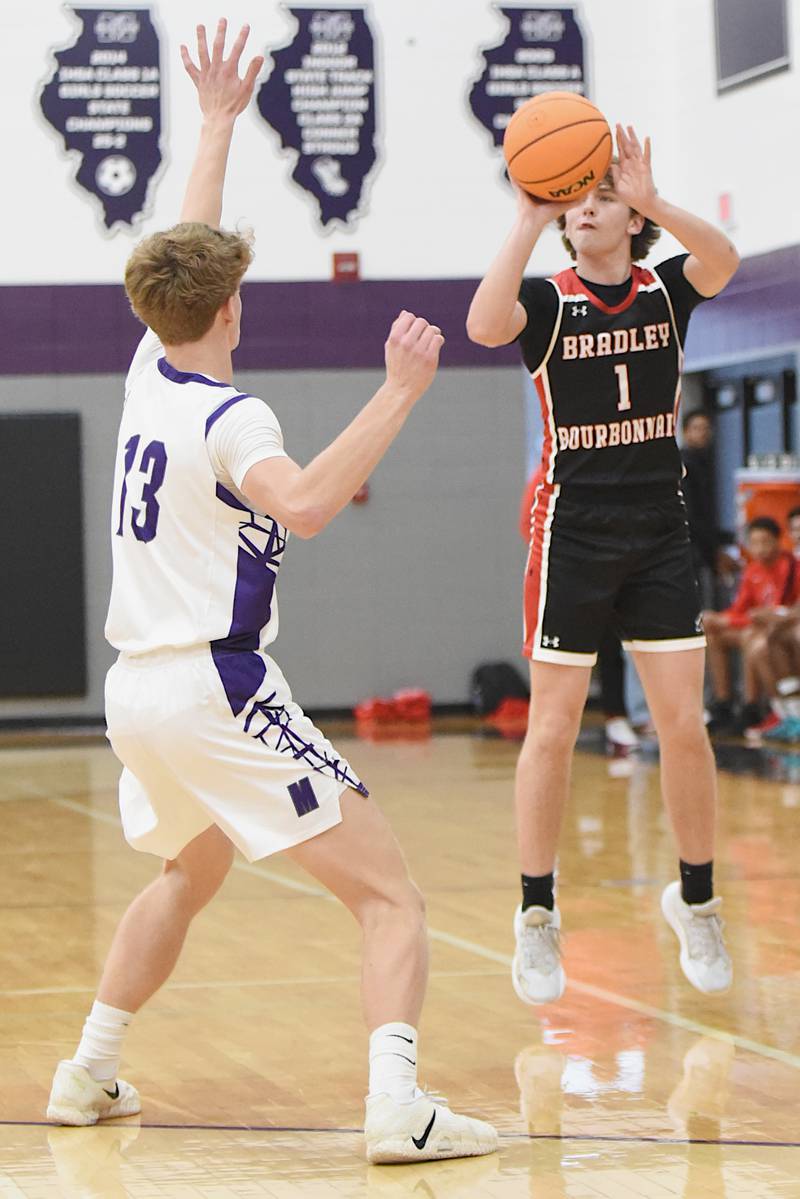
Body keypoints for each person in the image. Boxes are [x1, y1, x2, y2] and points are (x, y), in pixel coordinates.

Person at [45, 21, 497, 1165]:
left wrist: (212, 123)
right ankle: (398, 1104)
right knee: (390, 894)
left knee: (188, 867)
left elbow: (188, 250)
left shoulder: (148, 366)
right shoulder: (229, 414)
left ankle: (89, 1067)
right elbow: (299, 505)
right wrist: (398, 392)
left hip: (134, 690)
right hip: (213, 682)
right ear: (232, 309)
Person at [467, 125, 739, 1003]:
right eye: (574, 200)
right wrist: (523, 216)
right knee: (552, 728)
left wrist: (656, 196)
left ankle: (696, 899)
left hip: (659, 526)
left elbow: (726, 257)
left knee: (684, 726)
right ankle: (536, 915)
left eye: (603, 195)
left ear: (630, 217)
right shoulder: (546, 302)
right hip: (573, 530)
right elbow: (481, 323)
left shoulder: (668, 290)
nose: (586, 206)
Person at [703, 516, 800, 737]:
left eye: (765, 542)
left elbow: (772, 614)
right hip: (768, 629)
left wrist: (729, 620)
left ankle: (756, 706)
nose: (760, 549)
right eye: (754, 543)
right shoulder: (753, 570)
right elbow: (742, 609)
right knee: (715, 632)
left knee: (755, 640)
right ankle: (723, 703)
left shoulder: (790, 566)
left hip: (777, 630)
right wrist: (718, 619)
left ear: (778, 541)